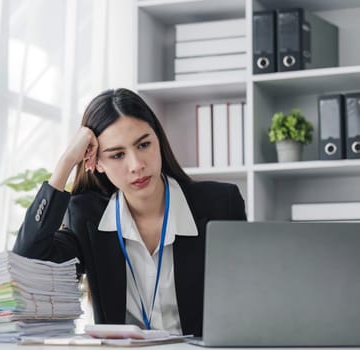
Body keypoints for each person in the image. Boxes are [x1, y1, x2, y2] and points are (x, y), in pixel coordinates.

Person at [13, 88, 246, 336]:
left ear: (159, 140)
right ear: (96, 162)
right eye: (117, 155)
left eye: (144, 144)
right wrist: (67, 161)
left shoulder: (221, 204)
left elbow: (249, 300)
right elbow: (28, 262)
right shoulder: (87, 217)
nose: (136, 165)